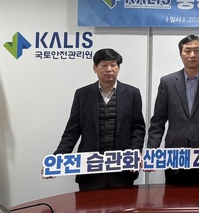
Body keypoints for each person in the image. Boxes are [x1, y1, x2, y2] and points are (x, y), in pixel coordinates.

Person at [53, 48, 146, 191]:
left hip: (122, 170)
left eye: (113, 65)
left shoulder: (132, 93)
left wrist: (134, 152)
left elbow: (138, 128)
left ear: (118, 68)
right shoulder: (82, 94)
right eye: (104, 65)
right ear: (95, 68)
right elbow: (72, 131)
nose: (109, 69)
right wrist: (56, 160)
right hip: (90, 169)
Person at [147, 35, 199, 184]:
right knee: (173, 196)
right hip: (175, 155)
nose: (192, 55)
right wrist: (151, 152)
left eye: (196, 50)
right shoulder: (167, 82)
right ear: (181, 54)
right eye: (187, 51)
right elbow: (158, 121)